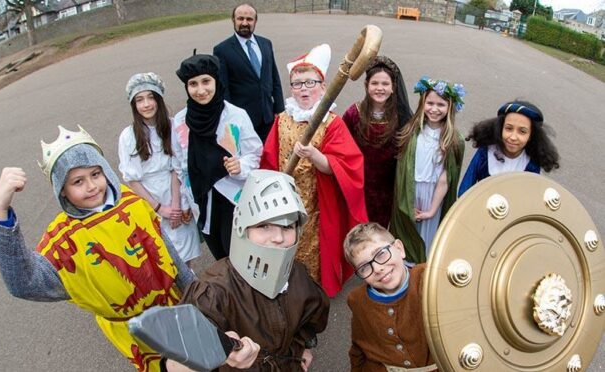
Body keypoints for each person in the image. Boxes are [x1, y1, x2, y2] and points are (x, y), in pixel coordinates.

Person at [0, 126, 195, 371]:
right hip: (140, 333)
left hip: (177, 306)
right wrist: (1, 212)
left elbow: (169, 254)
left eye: (96, 174)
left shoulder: (131, 202)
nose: (92, 186)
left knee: (205, 356)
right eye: (78, 181)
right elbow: (24, 282)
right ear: (61, 190)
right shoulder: (63, 241)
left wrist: (194, 292)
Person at [167, 169, 330, 371]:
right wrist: (215, 350)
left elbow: (310, 320)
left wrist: (302, 349)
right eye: (264, 226)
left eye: (287, 227)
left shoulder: (297, 275)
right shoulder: (214, 291)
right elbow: (176, 363)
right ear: (242, 226)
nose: (278, 237)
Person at [260, 43, 368, 297]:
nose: (303, 89)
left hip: (318, 205)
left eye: (310, 82)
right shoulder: (282, 120)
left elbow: (348, 166)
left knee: (314, 256)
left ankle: (311, 297)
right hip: (285, 203)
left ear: (323, 86)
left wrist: (317, 157)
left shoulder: (332, 123)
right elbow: (268, 159)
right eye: (297, 84)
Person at [174, 53, 263, 260]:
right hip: (202, 199)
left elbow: (255, 153)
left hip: (233, 198)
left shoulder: (235, 115)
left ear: (216, 81)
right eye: (193, 84)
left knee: (239, 255)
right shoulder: (180, 121)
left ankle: (246, 292)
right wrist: (185, 201)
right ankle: (229, 292)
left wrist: (240, 166)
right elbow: (179, 163)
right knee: (219, 256)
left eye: (206, 81)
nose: (201, 90)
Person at [118, 72, 201, 267]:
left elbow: (176, 168)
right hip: (149, 200)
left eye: (150, 97)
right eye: (140, 100)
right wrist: (159, 208)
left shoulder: (173, 126)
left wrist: (176, 206)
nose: (146, 104)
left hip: (175, 193)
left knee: (184, 254)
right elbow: (132, 180)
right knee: (160, 257)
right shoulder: (128, 136)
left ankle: (188, 292)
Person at [388, 76, 465, 263]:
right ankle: (404, 267)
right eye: (430, 103)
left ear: (450, 108)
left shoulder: (453, 140)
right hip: (410, 190)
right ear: (422, 103)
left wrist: (432, 210)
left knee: (426, 235)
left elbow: (446, 179)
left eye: (441, 105)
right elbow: (402, 169)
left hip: (433, 194)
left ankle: (423, 269)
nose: (434, 109)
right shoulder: (411, 132)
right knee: (407, 229)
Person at [344, 222, 437, 371]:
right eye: (365, 267)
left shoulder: (430, 278)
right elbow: (358, 346)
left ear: (399, 248)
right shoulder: (358, 301)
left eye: (381, 254)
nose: (378, 268)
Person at [342, 56, 412, 227]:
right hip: (359, 186)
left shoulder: (401, 117)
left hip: (388, 190)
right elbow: (342, 148)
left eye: (385, 84)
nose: (380, 88)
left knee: (379, 231)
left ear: (394, 87)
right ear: (366, 86)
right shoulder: (354, 114)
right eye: (374, 83)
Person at [213, 3, 284, 142]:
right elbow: (223, 88)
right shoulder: (222, 50)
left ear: (255, 21)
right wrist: (230, 119)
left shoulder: (266, 44)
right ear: (233, 20)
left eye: (249, 19)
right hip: (243, 120)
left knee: (269, 159)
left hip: (268, 116)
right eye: (240, 19)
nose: (245, 23)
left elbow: (274, 78)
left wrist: (279, 109)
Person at [458, 100, 560, 196]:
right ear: (500, 128)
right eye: (509, 128)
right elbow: (466, 186)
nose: (513, 137)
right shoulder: (486, 152)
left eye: (522, 131)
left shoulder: (531, 163)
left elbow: (529, 196)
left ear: (531, 136)